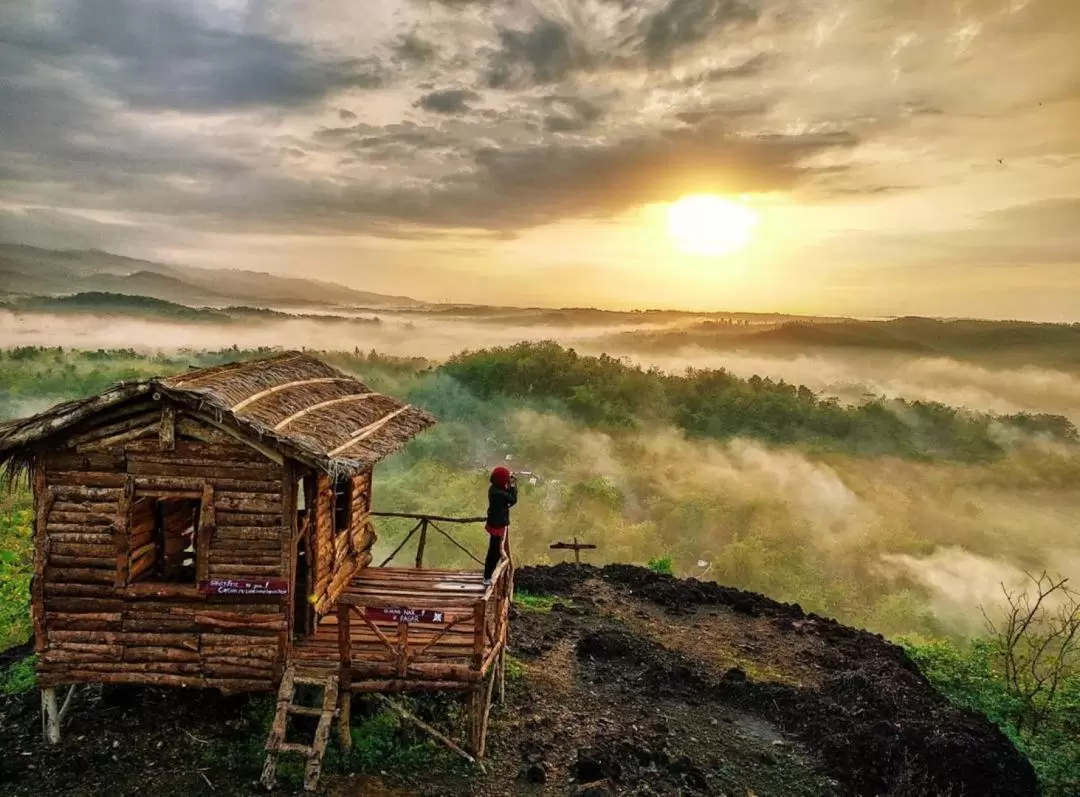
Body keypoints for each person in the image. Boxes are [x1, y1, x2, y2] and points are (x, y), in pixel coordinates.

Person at [484, 466, 517, 585]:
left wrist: (509, 483)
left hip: (496, 522)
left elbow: (508, 497)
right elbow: (513, 500)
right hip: (497, 525)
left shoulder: (495, 488)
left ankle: (488, 574)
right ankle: (487, 576)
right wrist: (512, 485)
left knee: (495, 550)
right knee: (495, 552)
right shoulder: (497, 493)